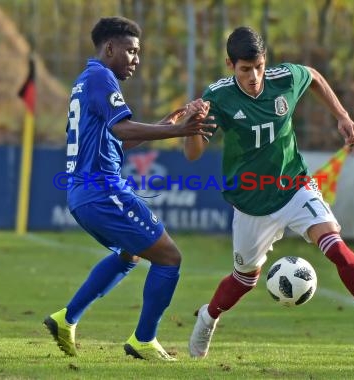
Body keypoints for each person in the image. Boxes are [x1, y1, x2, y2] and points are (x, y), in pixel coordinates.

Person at [184, 26, 354, 359]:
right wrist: (193, 125)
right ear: (231, 65)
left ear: (265, 61)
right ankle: (208, 317)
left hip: (294, 185)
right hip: (251, 199)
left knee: (335, 245)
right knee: (244, 281)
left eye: (259, 66)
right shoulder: (218, 96)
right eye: (245, 69)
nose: (254, 75)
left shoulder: (284, 78)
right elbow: (193, 153)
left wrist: (342, 116)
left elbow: (313, 76)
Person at [43, 16, 214, 362]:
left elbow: (117, 140)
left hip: (83, 194)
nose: (136, 59)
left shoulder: (85, 81)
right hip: (103, 190)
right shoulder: (100, 78)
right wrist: (180, 133)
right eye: (131, 51)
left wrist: (170, 123)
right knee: (169, 258)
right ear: (109, 48)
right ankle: (144, 340)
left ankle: (66, 319)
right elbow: (122, 130)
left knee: (131, 253)